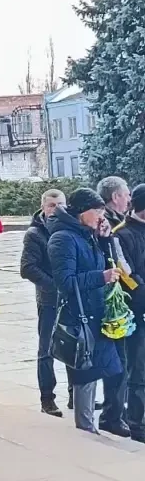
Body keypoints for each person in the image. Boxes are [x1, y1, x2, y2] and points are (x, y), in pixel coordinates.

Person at [47, 188, 123, 434]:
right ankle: (85, 430)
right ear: (81, 212)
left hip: (97, 313)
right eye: (97, 211)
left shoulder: (88, 234)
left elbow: (108, 262)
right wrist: (100, 277)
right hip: (80, 317)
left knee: (109, 369)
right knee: (85, 375)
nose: (102, 216)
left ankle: (99, 423)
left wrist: (105, 239)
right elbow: (65, 282)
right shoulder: (63, 238)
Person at [20, 189, 72, 417]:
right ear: (43, 207)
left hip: (70, 297)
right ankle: (47, 398)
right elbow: (27, 268)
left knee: (74, 345)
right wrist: (54, 285)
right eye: (51, 205)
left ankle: (76, 394)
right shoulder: (35, 234)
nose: (56, 209)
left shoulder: (70, 227)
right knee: (47, 349)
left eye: (60, 204)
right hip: (49, 299)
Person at [95, 175, 132, 435]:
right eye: (126, 193)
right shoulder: (108, 225)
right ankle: (112, 414)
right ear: (116, 196)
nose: (128, 198)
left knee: (123, 361)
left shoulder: (118, 220)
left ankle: (118, 411)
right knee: (118, 362)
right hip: (113, 298)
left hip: (119, 297)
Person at [115, 183, 145, 442]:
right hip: (137, 311)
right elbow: (127, 274)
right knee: (138, 368)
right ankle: (137, 423)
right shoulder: (121, 234)